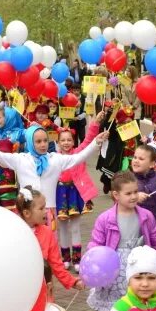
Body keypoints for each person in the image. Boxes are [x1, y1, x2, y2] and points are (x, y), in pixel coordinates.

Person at [86, 171, 156, 311]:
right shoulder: (105, 219)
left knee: (137, 307)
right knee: (116, 310)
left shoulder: (145, 216)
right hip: (115, 269)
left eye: (135, 192)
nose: (133, 197)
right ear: (116, 195)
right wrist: (92, 265)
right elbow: (96, 244)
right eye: (128, 193)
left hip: (138, 267)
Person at [0, 124, 107, 227]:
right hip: (26, 211)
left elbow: (79, 157)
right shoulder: (21, 159)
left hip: (48, 212)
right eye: (38, 142)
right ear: (30, 142)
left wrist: (96, 142)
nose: (43, 145)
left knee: (49, 246)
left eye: (45, 140)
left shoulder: (55, 159)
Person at [15, 186, 84, 297]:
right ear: (27, 213)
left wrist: (72, 281)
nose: (46, 211)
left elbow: (56, 264)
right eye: (41, 208)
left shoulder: (47, 233)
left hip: (43, 289)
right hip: (20, 289)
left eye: (45, 207)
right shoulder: (14, 232)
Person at [55, 112, 104, 267]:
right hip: (59, 194)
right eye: (62, 140)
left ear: (74, 141)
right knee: (62, 227)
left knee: (75, 227)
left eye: (69, 139)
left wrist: (95, 122)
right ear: (57, 142)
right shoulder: (52, 157)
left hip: (75, 193)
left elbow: (89, 139)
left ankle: (77, 260)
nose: (66, 142)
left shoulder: (79, 153)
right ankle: (65, 259)